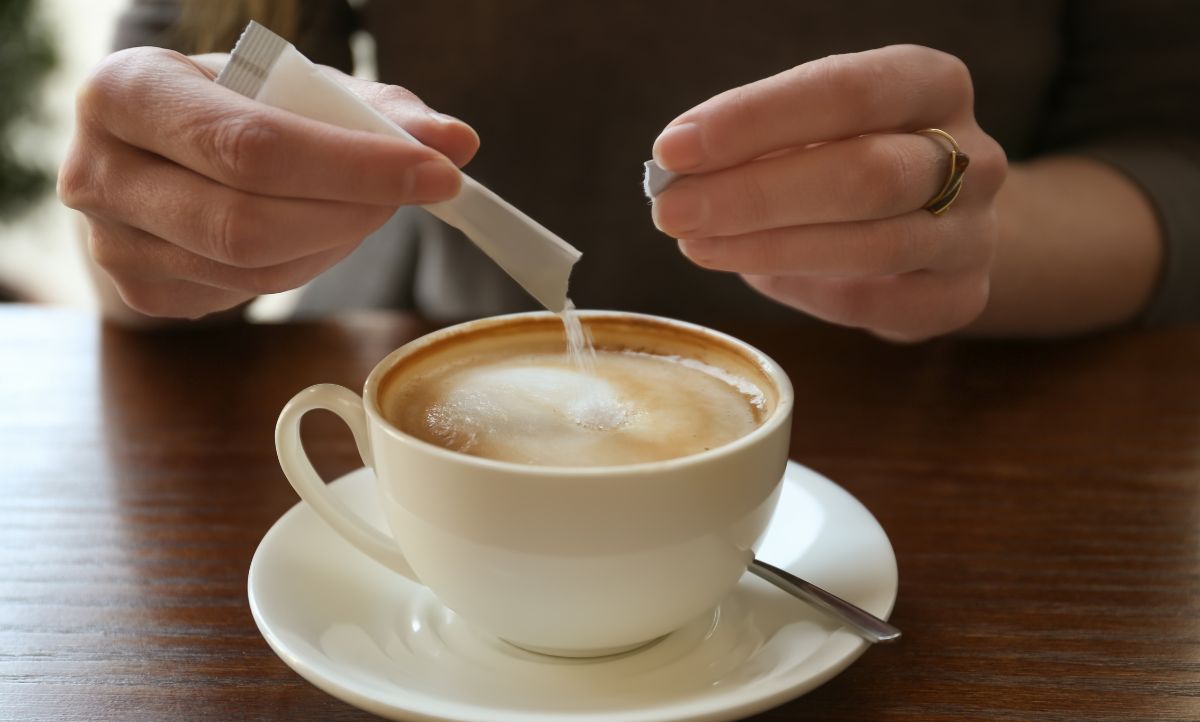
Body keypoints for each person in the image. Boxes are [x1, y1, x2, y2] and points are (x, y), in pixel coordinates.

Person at [59, 1, 1200, 341]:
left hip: (961, 461)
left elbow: (1171, 151)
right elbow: (173, 90)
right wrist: (165, 217)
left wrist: (967, 229)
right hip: (415, 372)